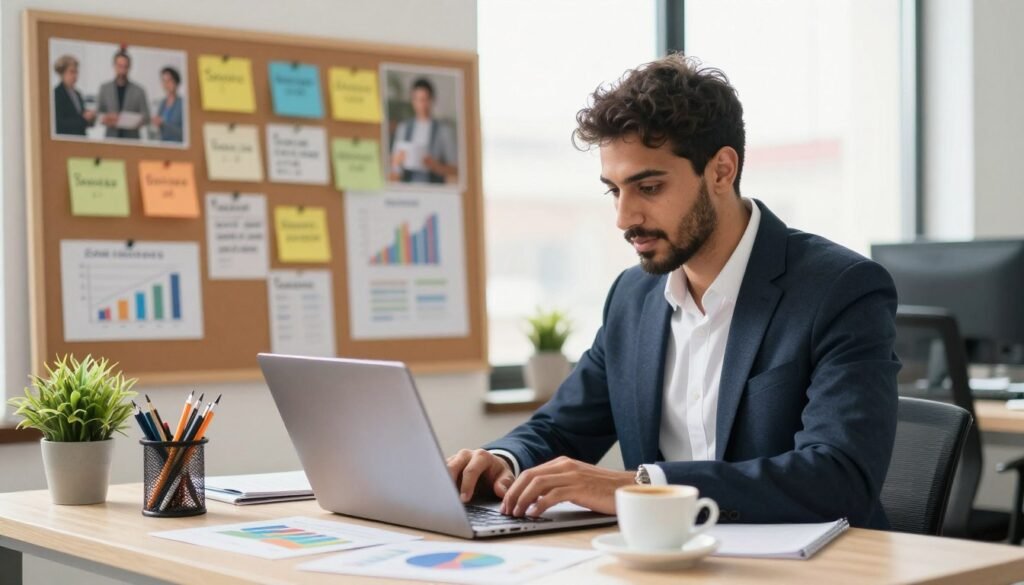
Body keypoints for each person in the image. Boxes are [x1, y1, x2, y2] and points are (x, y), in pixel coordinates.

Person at [446, 55, 900, 529]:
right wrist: (502, 460)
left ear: (722, 171)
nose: (624, 217)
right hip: (667, 562)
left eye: (649, 186)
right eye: (614, 191)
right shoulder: (633, 297)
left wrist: (641, 487)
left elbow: (838, 476)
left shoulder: (840, 289)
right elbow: (562, 426)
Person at [389, 78, 458, 184]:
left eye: (425, 99)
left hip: (434, 189)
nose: (422, 105)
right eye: (418, 99)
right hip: (408, 189)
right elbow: (394, 168)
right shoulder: (403, 128)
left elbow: (455, 169)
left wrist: (436, 166)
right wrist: (397, 161)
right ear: (413, 101)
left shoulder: (444, 130)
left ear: (432, 100)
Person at [97, 48, 150, 140]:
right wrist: (107, 118)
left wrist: (135, 121)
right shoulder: (104, 88)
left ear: (129, 67)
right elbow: (98, 113)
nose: (122, 70)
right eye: (120, 66)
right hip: (111, 138)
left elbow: (147, 117)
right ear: (114, 66)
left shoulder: (139, 91)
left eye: (125, 66)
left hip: (132, 139)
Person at [52, 55, 95, 136]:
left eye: (76, 72)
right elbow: (58, 123)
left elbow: (83, 120)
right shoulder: (57, 93)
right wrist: (83, 119)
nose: (75, 76)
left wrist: (91, 118)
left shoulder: (77, 94)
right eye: (71, 72)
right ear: (62, 73)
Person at [152, 66, 184, 143]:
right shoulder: (162, 103)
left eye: (169, 80)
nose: (166, 84)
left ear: (176, 82)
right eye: (164, 81)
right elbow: (158, 130)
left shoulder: (182, 104)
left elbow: (184, 134)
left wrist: (164, 124)